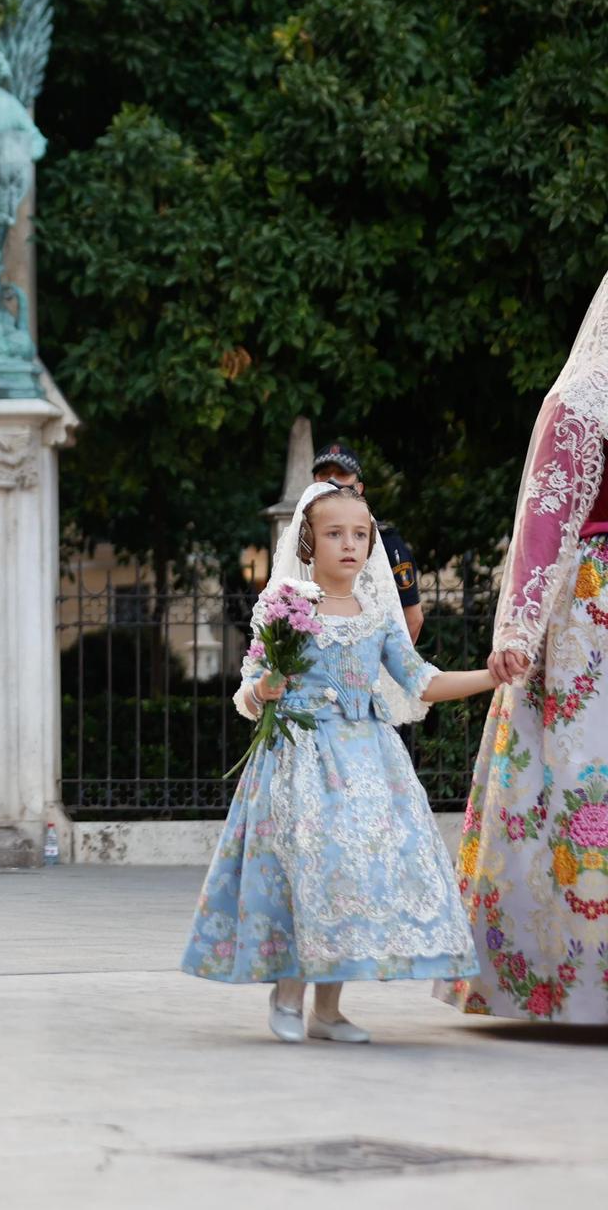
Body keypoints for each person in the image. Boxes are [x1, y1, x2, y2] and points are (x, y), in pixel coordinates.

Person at [183, 482, 489, 1042]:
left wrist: (493, 677)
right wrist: (264, 690)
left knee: (355, 875)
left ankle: (328, 1010)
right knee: (310, 868)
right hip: (301, 756)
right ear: (309, 541)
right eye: (334, 534)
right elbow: (250, 685)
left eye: (360, 534)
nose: (349, 544)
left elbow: (421, 680)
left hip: (370, 762)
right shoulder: (288, 607)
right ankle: (289, 992)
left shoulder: (378, 616)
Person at [440, 272, 608, 1022]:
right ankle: (561, 978)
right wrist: (518, 629)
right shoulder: (582, 399)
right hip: (590, 619)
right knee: (576, 784)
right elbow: (544, 521)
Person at [312, 442, 424, 641]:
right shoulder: (300, 540)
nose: (332, 481)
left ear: (359, 487)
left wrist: (385, 667)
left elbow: (412, 618)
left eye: (341, 474)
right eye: (324, 474)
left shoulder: (385, 540)